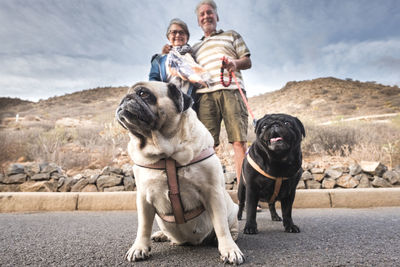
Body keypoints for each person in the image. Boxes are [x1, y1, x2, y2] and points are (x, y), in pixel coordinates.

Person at [192, 0, 252, 186]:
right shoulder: (194, 48)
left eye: (209, 12)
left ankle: (245, 196)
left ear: (216, 16)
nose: (206, 16)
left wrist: (234, 64)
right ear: (198, 21)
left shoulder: (231, 35)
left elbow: (247, 61)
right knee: (207, 147)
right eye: (202, 14)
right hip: (205, 96)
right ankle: (209, 195)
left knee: (239, 142)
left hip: (232, 91)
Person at [149, 18, 207, 97]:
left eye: (181, 32)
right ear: (168, 37)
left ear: (187, 37)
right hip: (167, 104)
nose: (178, 35)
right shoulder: (159, 60)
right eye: (174, 32)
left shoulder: (195, 57)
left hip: (191, 105)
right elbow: (153, 83)